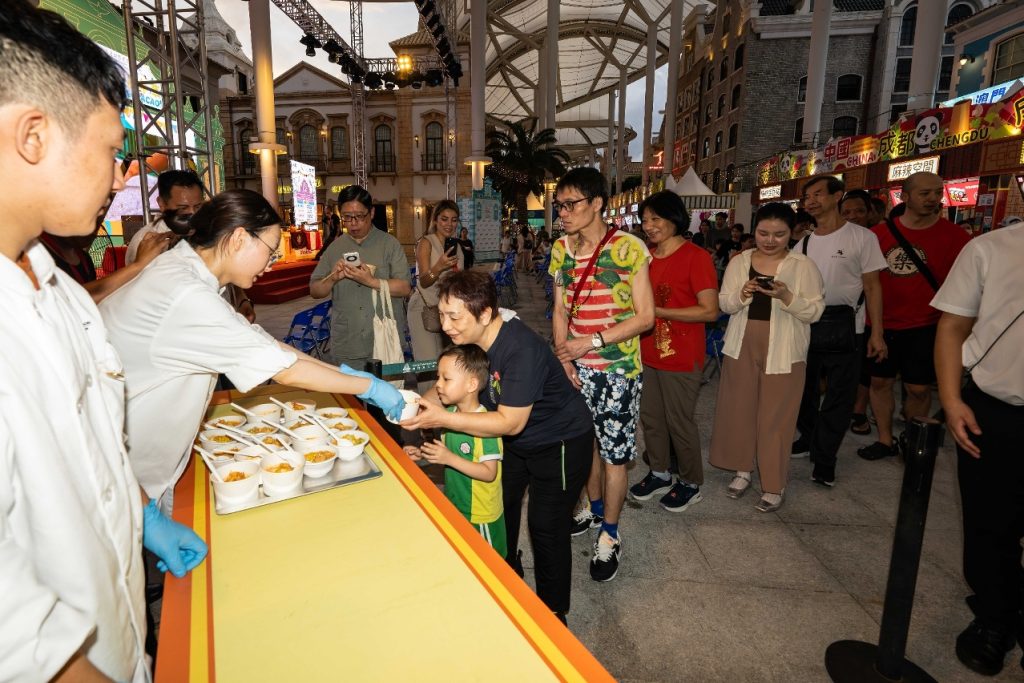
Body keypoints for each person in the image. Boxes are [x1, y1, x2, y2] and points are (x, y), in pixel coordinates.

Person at [0, 4, 206, 679]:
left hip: (120, 639)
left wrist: (140, 518)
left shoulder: (58, 288)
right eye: (112, 151)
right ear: (34, 135)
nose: (121, 179)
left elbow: (92, 448)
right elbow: (16, 636)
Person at [100, 189, 405, 513]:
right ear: (238, 239)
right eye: (270, 252)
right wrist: (367, 386)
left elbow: (263, 344)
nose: (270, 264)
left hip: (135, 467)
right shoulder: (186, 294)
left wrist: (342, 374)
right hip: (124, 475)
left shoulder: (186, 276)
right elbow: (283, 368)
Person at [400, 270, 594, 623]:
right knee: (501, 503)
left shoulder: (520, 349)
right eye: (442, 315)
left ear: (486, 313)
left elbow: (510, 422)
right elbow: (445, 388)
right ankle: (505, 570)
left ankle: (553, 611)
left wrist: (440, 420)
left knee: (545, 526)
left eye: (454, 316)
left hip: (560, 441)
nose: (446, 326)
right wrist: (414, 408)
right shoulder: (472, 341)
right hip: (516, 442)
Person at [549, 167, 655, 582]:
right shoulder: (560, 249)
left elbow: (645, 318)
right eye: (560, 205)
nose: (564, 213)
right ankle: (591, 510)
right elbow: (559, 308)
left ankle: (610, 534)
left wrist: (588, 344)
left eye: (571, 204)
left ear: (597, 203)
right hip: (573, 368)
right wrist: (563, 357)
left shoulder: (630, 249)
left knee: (613, 455)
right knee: (579, 446)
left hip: (616, 370)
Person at [932, 218, 1024, 677]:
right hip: (998, 411)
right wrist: (951, 399)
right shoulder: (990, 248)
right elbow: (953, 326)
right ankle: (995, 618)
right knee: (991, 524)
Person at [708, 203, 824, 511]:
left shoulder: (803, 265)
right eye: (763, 233)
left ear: (792, 233)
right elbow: (725, 304)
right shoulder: (739, 261)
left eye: (779, 234)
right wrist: (744, 293)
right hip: (741, 344)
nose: (770, 240)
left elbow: (814, 311)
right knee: (740, 409)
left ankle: (774, 484)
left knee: (778, 417)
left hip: (785, 349)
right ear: (754, 229)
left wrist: (786, 296)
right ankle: (742, 471)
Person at [857, 172, 971, 461]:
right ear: (905, 197)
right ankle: (885, 439)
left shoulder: (956, 237)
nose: (933, 198)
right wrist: (875, 330)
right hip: (881, 324)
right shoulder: (878, 235)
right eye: (925, 193)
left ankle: (914, 436)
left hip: (927, 326)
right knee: (879, 383)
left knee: (918, 388)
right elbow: (867, 284)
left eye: (937, 192)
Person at [793, 175, 886, 487]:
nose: (811, 201)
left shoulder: (861, 238)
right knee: (802, 392)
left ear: (837, 196)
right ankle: (809, 437)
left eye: (818, 194)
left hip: (848, 326)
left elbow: (873, 287)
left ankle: (825, 458)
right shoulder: (803, 243)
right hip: (806, 324)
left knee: (839, 396)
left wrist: (877, 333)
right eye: (807, 196)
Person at [628, 191, 719, 511]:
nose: (648, 225)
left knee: (679, 421)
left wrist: (658, 313)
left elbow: (709, 311)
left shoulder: (697, 257)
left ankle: (691, 482)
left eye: (656, 218)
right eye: (645, 220)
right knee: (651, 419)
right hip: (646, 353)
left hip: (681, 356)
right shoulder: (645, 258)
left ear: (675, 218)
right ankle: (660, 472)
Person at [403, 344, 505, 557]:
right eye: (438, 377)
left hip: (480, 514)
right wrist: (423, 454)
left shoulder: (485, 424)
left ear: (472, 384)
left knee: (489, 563)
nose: (437, 385)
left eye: (446, 379)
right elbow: (449, 452)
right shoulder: (448, 414)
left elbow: (489, 473)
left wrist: (448, 458)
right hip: (456, 504)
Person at [310, 185, 412, 369]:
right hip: (348, 342)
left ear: (371, 213)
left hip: (384, 341)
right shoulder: (335, 248)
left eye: (359, 216)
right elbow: (315, 290)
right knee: (350, 397)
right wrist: (333, 277)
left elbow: (405, 288)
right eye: (347, 217)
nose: (353, 223)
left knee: (386, 395)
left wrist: (371, 281)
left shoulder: (389, 244)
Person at [408, 200, 463, 381]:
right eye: (444, 219)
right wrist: (439, 266)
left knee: (446, 364)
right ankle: (427, 405)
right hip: (424, 309)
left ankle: (443, 407)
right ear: (435, 220)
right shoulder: (426, 243)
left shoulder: (456, 247)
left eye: (454, 220)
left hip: (447, 312)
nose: (449, 224)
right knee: (428, 365)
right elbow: (423, 280)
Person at [841, 189, 879, 435]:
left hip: (868, 319)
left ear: (871, 213)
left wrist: (878, 329)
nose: (853, 216)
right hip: (838, 321)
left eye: (859, 211)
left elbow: (873, 285)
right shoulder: (827, 238)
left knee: (865, 370)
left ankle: (858, 410)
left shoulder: (873, 238)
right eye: (847, 212)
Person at [124, 169, 203, 265]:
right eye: (183, 208)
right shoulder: (145, 241)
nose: (192, 213)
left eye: (198, 206)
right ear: (162, 204)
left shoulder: (208, 231)